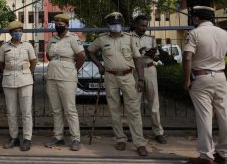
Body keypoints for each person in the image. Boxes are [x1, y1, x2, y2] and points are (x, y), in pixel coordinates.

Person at [87, 12, 148, 156]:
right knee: (114, 109)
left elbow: (137, 59)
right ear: (108, 25)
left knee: (133, 110)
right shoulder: (101, 39)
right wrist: (99, 66)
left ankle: (139, 143)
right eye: (113, 24)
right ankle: (120, 138)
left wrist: (140, 79)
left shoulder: (129, 38)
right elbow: (90, 51)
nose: (116, 26)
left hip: (128, 76)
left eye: (118, 23)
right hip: (110, 77)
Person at [183, 6, 227, 164]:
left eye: (193, 17)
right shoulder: (225, 34)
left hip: (201, 79)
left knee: (205, 116)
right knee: (224, 115)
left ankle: (206, 155)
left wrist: (186, 80)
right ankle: (224, 153)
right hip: (220, 77)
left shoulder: (195, 33)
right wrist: (222, 73)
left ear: (196, 18)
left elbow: (187, 58)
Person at [44, 14, 85, 151]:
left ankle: (75, 139)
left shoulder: (73, 38)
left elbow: (81, 56)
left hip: (67, 77)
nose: (58, 25)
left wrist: (73, 69)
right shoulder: (51, 40)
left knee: (70, 109)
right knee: (56, 109)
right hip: (52, 77)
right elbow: (48, 56)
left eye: (61, 23)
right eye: (56, 22)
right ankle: (58, 137)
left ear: (67, 25)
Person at [0, 21, 37, 151]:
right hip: (9, 80)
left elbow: (33, 62)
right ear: (10, 33)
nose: (18, 33)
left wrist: (26, 73)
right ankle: (14, 137)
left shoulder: (28, 46)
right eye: (15, 31)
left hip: (25, 79)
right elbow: (0, 64)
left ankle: (27, 138)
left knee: (26, 111)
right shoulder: (4, 47)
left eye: (20, 31)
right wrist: (9, 72)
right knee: (11, 111)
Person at [131, 15, 167, 144]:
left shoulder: (150, 38)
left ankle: (158, 132)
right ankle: (136, 132)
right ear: (135, 24)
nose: (144, 28)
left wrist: (153, 55)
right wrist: (137, 52)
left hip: (150, 69)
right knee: (134, 103)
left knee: (154, 103)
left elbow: (157, 57)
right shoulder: (128, 37)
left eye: (146, 25)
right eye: (142, 25)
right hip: (135, 71)